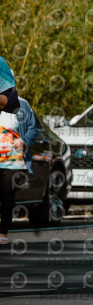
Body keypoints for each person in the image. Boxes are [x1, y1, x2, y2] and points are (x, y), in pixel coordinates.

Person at [0, 92, 36, 245]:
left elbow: (32, 129)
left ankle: (2, 232)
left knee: (7, 197)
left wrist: (23, 140)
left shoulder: (22, 104)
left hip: (13, 162)